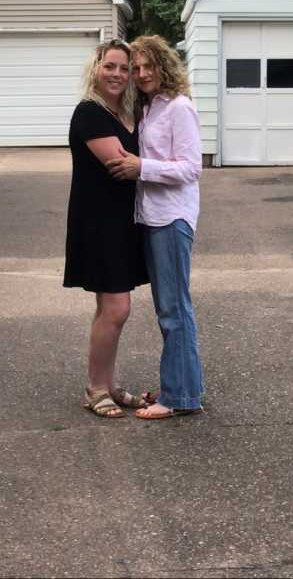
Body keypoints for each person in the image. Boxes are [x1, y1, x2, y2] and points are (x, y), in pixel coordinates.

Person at [107, 34, 205, 420]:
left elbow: (191, 167)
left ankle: (178, 398)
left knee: (174, 309)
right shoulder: (148, 109)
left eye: (149, 66)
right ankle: (181, 388)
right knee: (171, 308)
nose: (142, 73)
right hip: (151, 217)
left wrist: (141, 167)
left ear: (165, 66)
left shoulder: (179, 107)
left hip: (172, 218)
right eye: (137, 67)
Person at [63, 39, 148, 418]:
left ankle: (107, 384)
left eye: (124, 68)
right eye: (110, 66)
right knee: (117, 308)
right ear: (96, 69)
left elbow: (135, 165)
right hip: (98, 223)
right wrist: (161, 165)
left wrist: (144, 163)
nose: (117, 74)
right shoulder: (90, 113)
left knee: (108, 309)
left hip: (123, 222)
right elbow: (119, 165)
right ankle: (96, 388)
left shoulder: (127, 112)